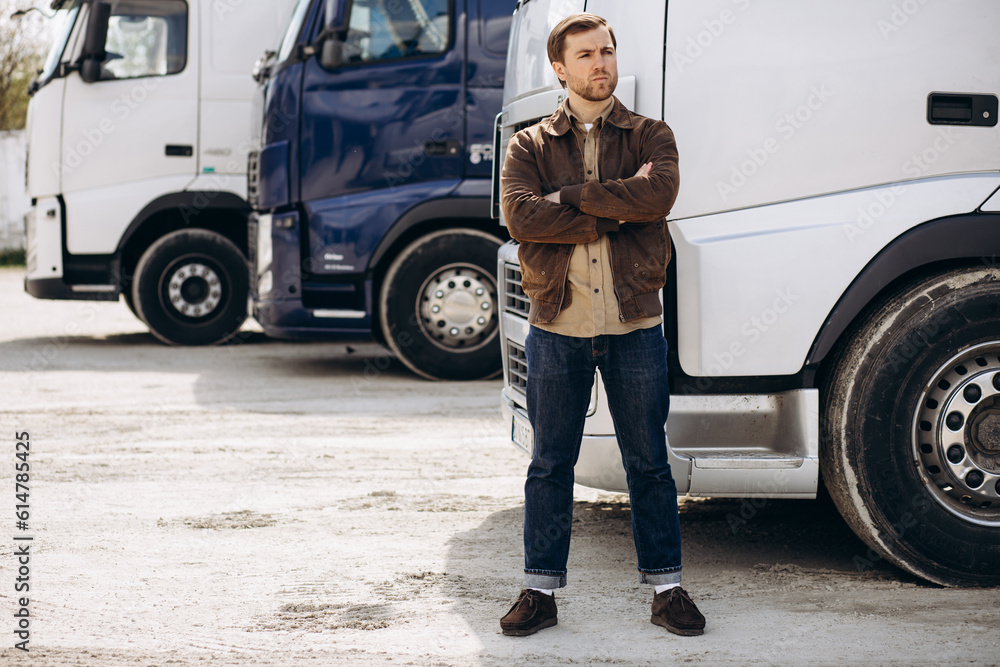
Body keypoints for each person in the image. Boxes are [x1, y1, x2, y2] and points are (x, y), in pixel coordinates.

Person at [498, 13, 706, 637]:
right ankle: (540, 592)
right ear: (559, 69)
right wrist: (612, 207)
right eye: (586, 55)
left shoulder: (651, 136)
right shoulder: (529, 145)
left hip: (634, 324)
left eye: (608, 52)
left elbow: (657, 198)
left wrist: (569, 198)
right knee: (549, 463)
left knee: (648, 462)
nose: (602, 64)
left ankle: (667, 590)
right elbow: (520, 218)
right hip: (557, 324)